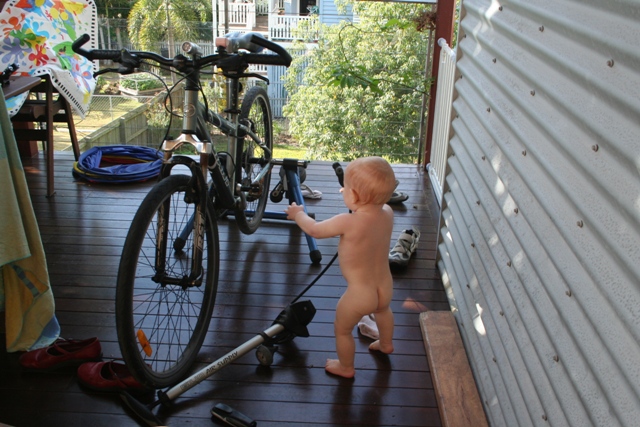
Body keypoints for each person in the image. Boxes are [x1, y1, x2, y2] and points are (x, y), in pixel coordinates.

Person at [285, 156, 397, 378]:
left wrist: (298, 214)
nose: (342, 191)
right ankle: (386, 344)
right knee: (383, 311)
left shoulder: (348, 222)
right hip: (384, 286)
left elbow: (315, 230)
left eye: (345, 188)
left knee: (342, 329)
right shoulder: (388, 213)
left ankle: (346, 367)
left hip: (359, 293)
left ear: (354, 196)